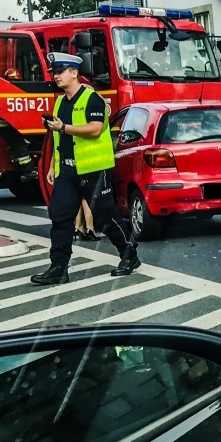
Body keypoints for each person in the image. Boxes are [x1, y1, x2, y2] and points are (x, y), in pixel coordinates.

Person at [30, 52, 139, 285]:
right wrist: (52, 165)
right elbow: (59, 139)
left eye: (60, 72)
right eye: (54, 73)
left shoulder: (93, 99)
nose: (55, 77)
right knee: (60, 217)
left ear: (74, 73)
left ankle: (129, 255)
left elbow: (95, 129)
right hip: (67, 171)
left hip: (94, 170)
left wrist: (64, 126)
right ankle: (59, 267)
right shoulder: (60, 101)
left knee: (106, 216)